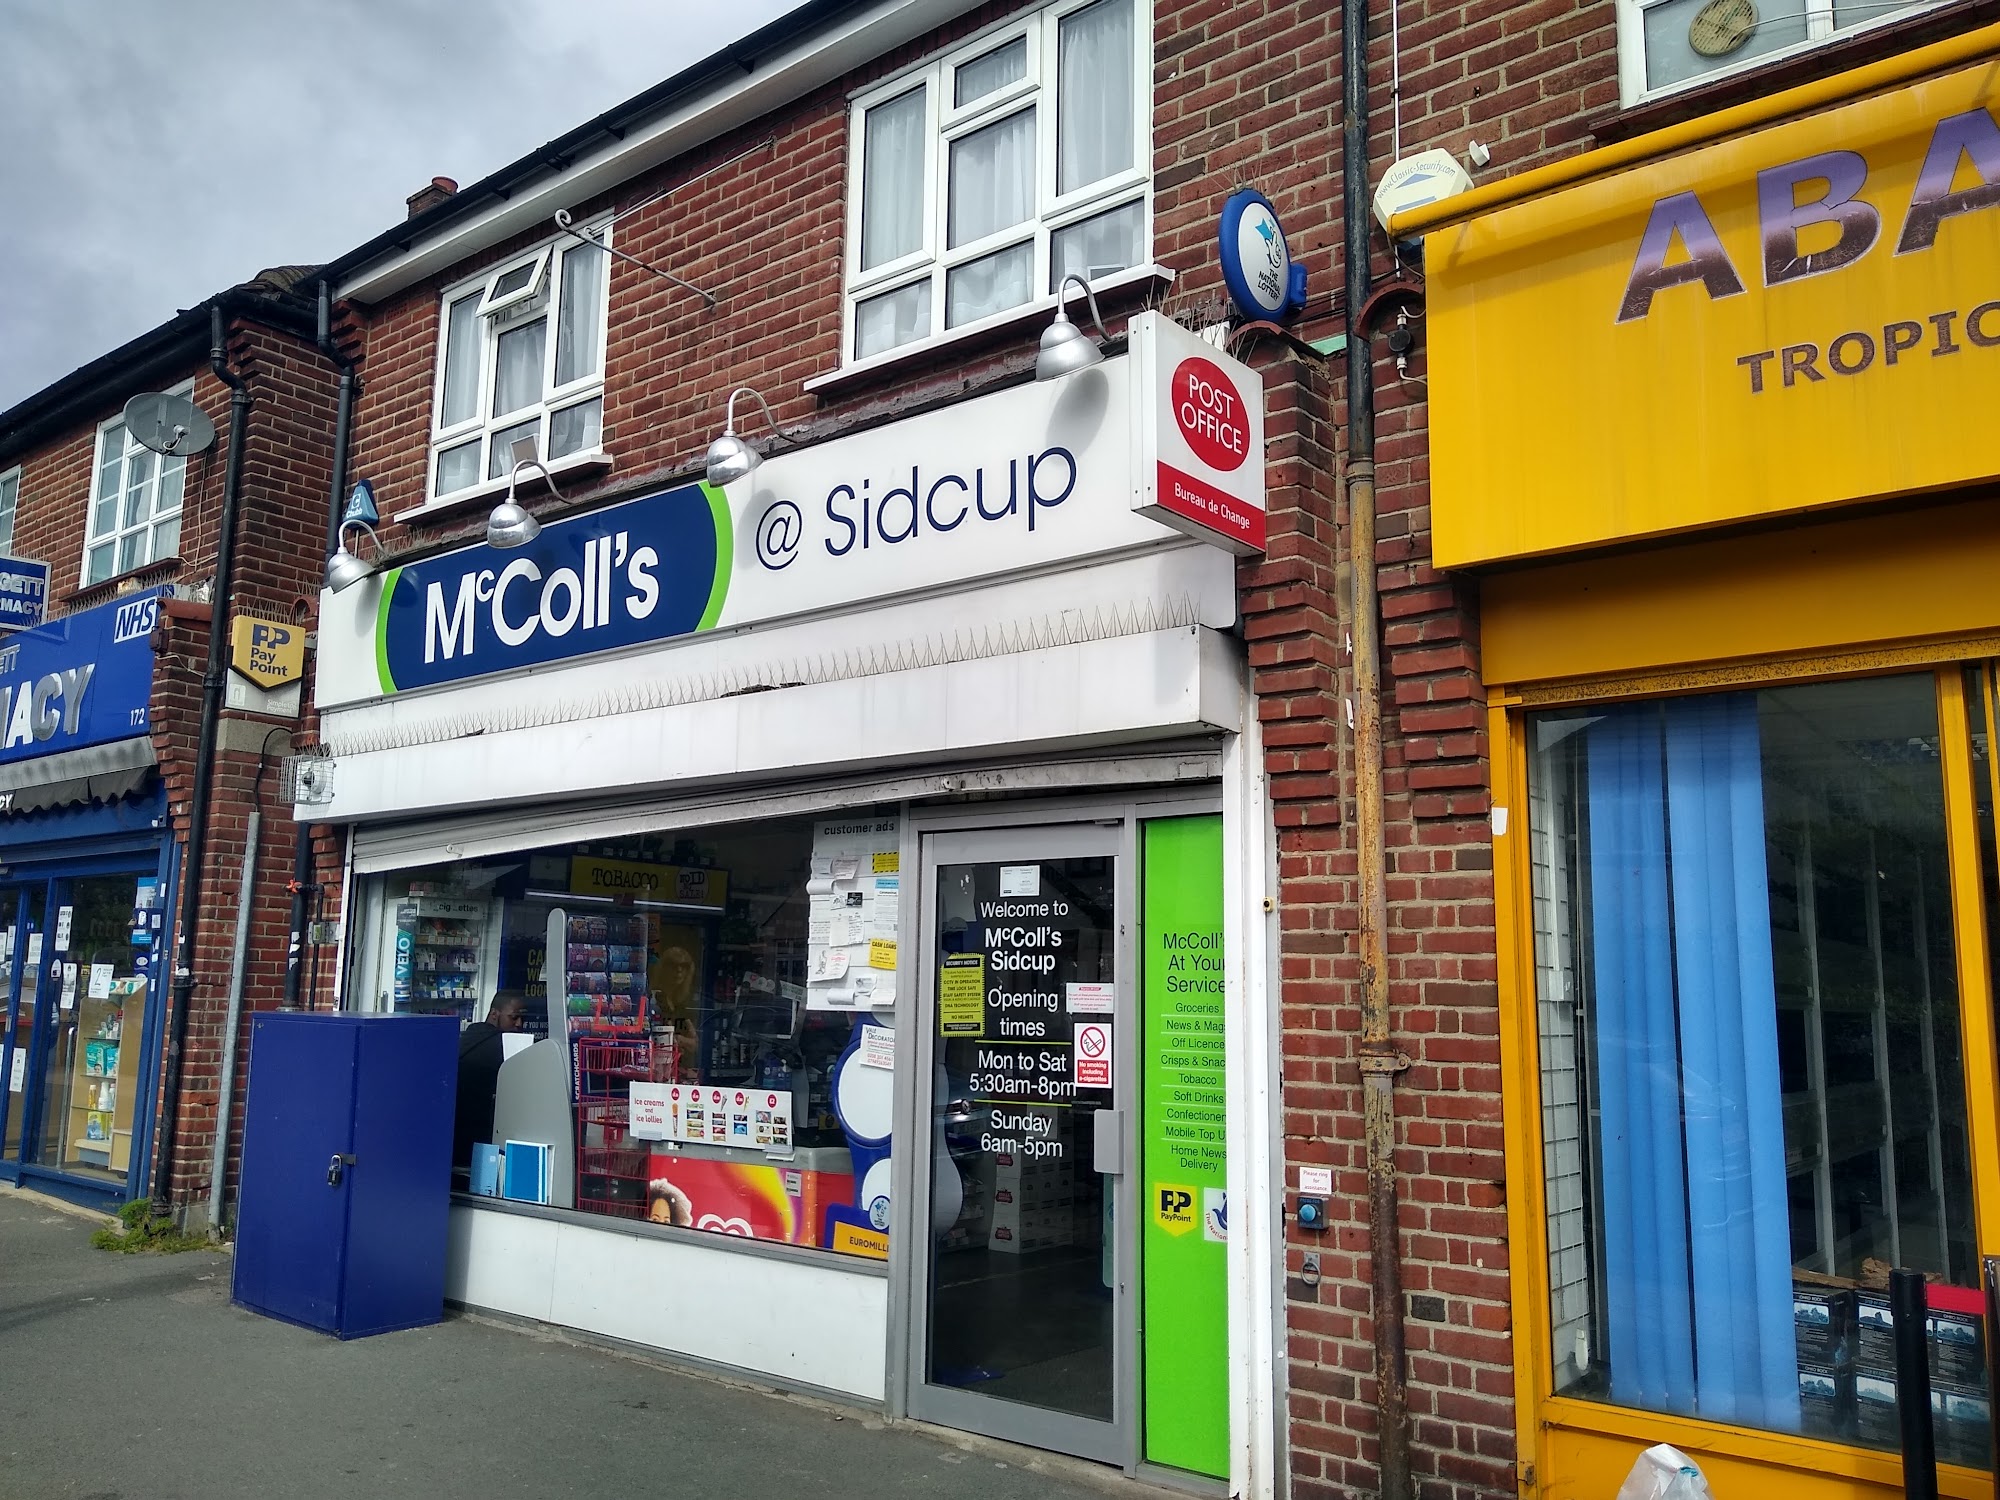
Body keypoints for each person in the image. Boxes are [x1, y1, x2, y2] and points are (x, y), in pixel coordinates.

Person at [454, 991, 526, 1178]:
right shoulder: (503, 1046)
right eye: (514, 1017)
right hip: (481, 1144)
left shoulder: (467, 1036)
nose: (519, 1024)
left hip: (456, 1142)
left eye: (521, 1018)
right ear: (495, 1014)